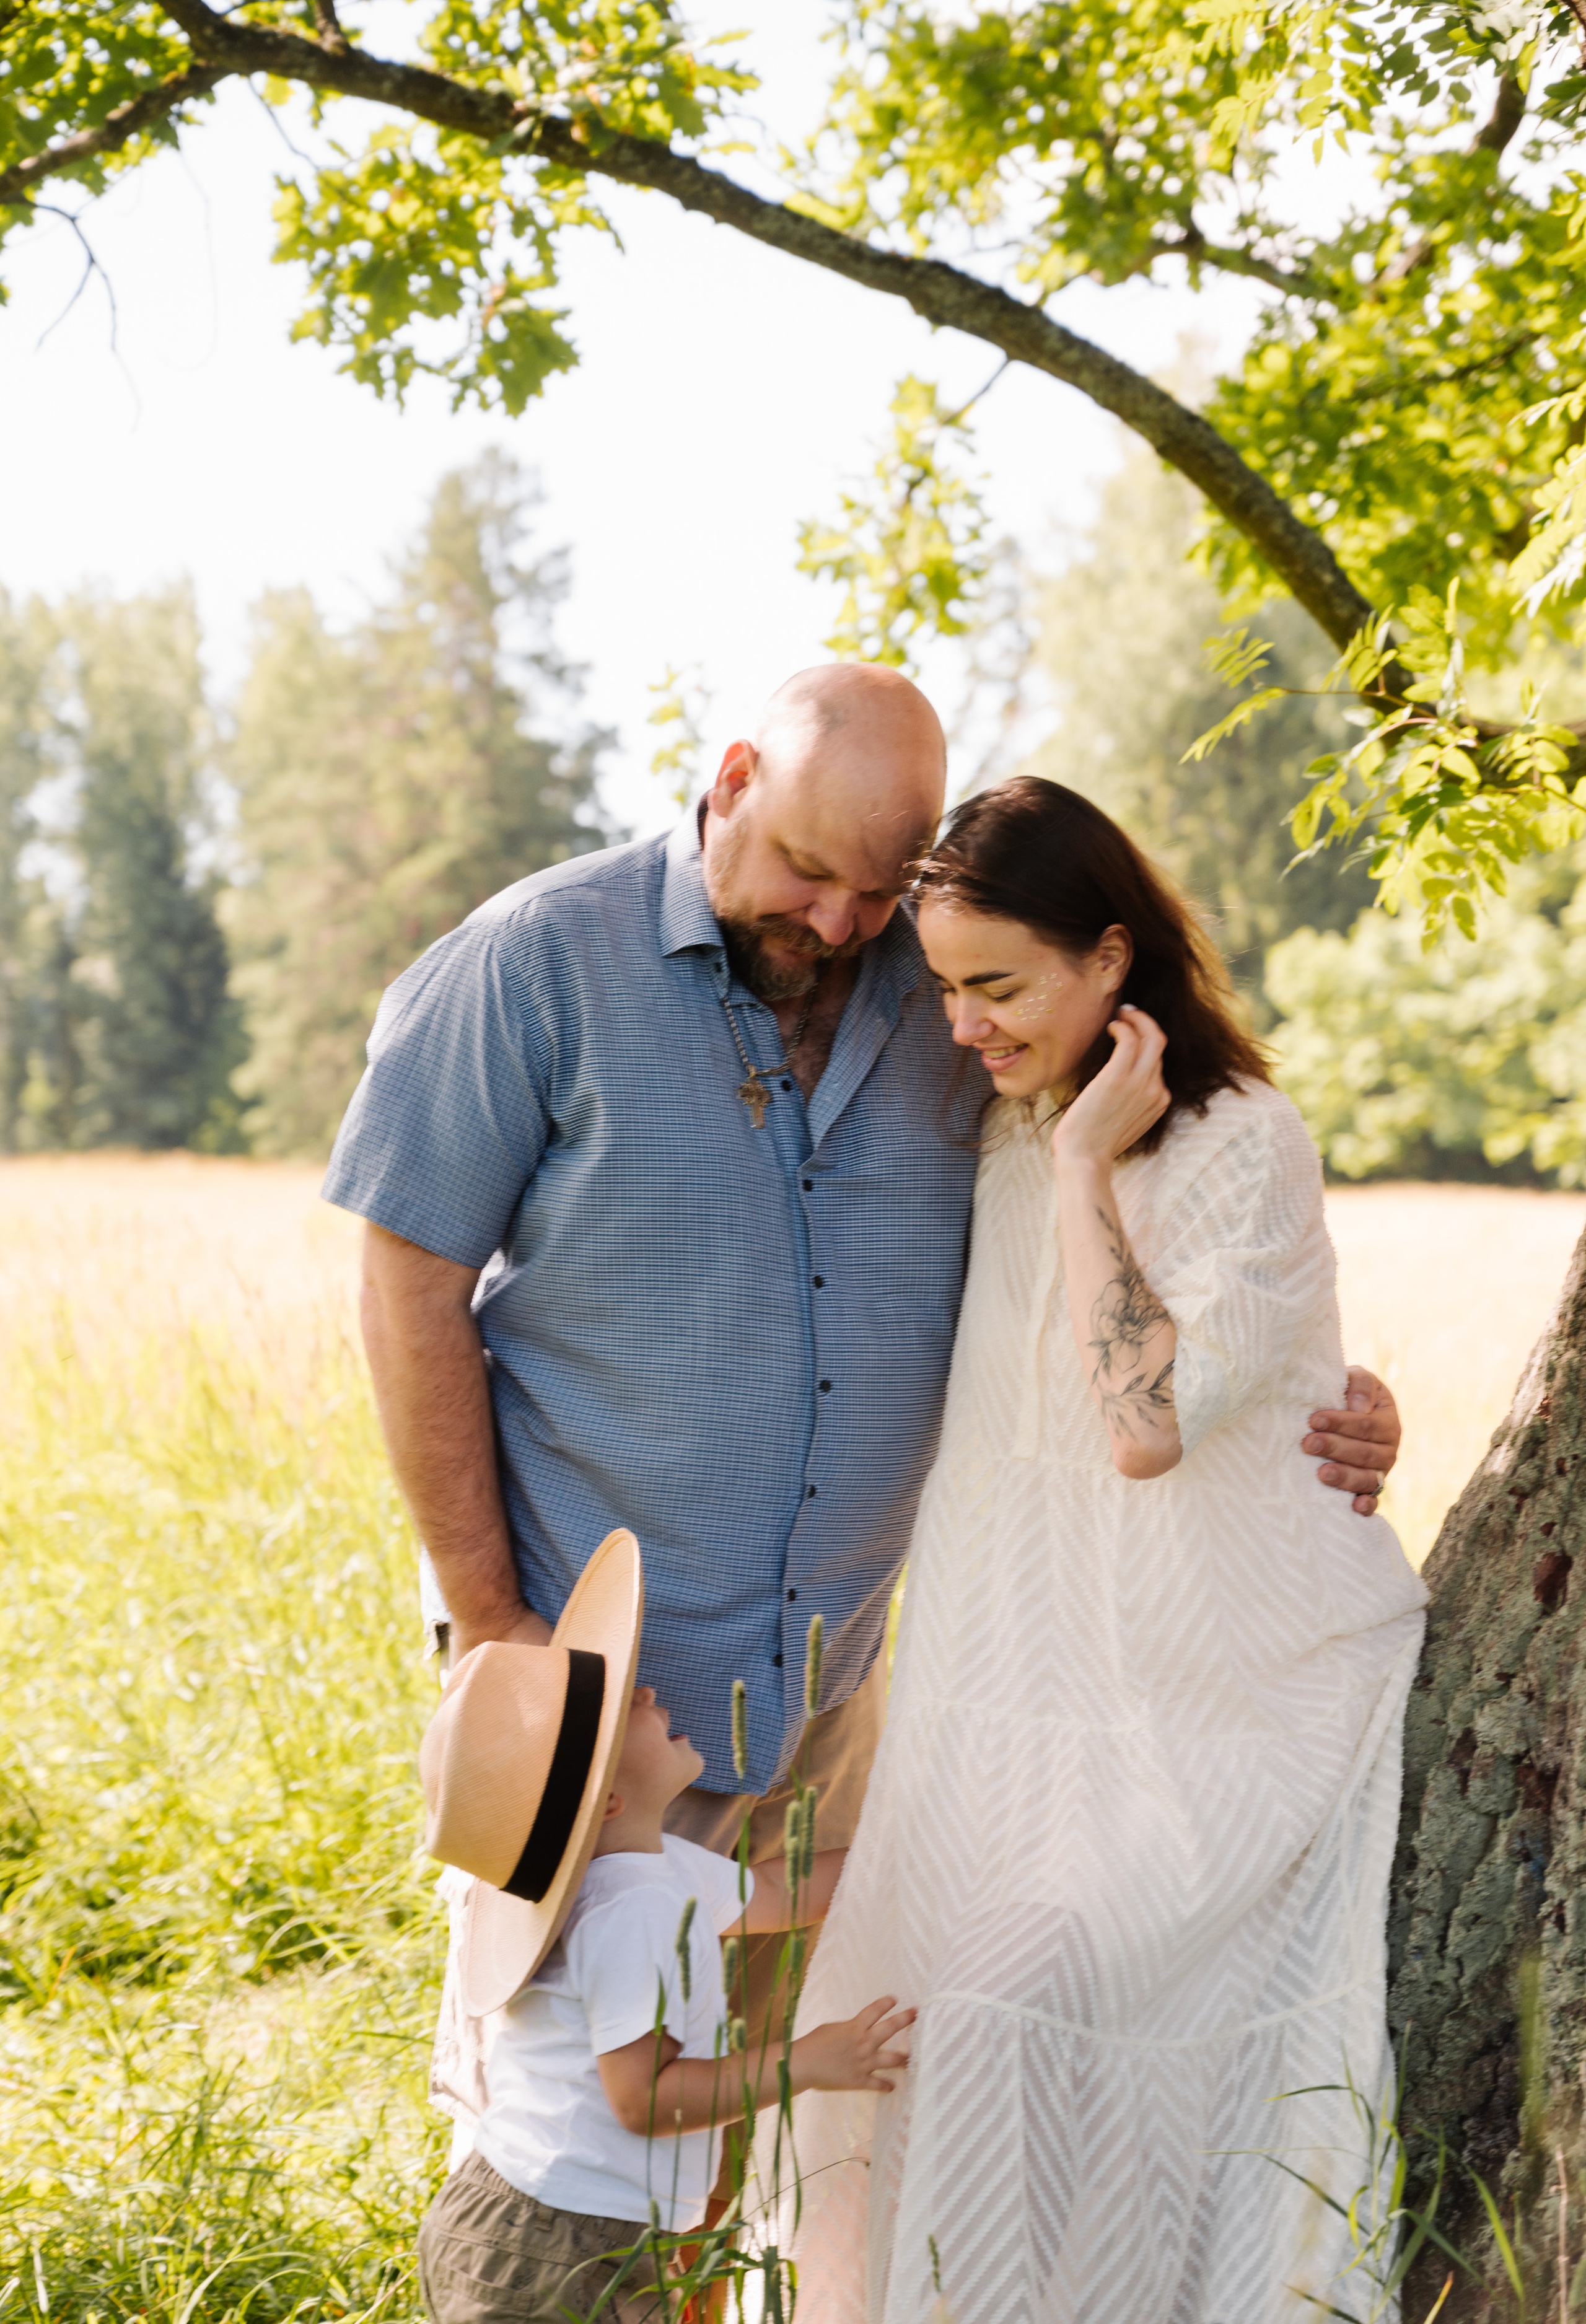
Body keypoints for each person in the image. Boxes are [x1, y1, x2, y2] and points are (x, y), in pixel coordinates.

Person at [320, 665, 1402, 2133]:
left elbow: (1112, 1252)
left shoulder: (943, 991)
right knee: (568, 2139)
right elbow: (406, 1286)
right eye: (806, 870)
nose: (836, 921)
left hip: (848, 1705)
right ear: (731, 774)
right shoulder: (530, 965)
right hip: (607, 1715)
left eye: (874, 890)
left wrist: (1300, 1400)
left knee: (792, 2130)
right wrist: (496, 1624)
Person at [781, 779, 1430, 2324]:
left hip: (1223, 1699)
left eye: (993, 986)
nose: (959, 1027)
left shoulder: (1230, 1141)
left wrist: (1084, 1170)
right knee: (885, 2011)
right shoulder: (996, 1118)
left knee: (1006, 2005)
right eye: (941, 987)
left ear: (1112, 957)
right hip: (1018, 1681)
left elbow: (1140, 1427)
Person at [414, 1530, 912, 2324]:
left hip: (551, 2222)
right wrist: (808, 2060)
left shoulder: (661, 1868)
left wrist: (921, 1851)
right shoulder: (632, 1912)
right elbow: (644, 2099)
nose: (647, 1695)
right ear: (608, 1800)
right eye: (625, 1713)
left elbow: (785, 1891)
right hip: (560, 2244)